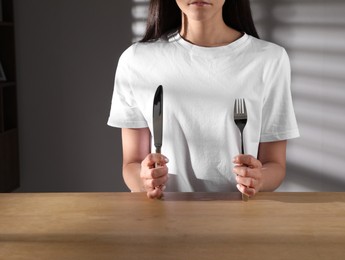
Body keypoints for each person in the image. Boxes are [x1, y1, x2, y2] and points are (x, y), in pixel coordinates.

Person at [108, 0, 300, 199]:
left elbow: (275, 166)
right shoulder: (136, 60)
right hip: (162, 218)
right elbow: (132, 165)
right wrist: (145, 180)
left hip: (242, 218)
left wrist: (258, 178)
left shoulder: (270, 59)